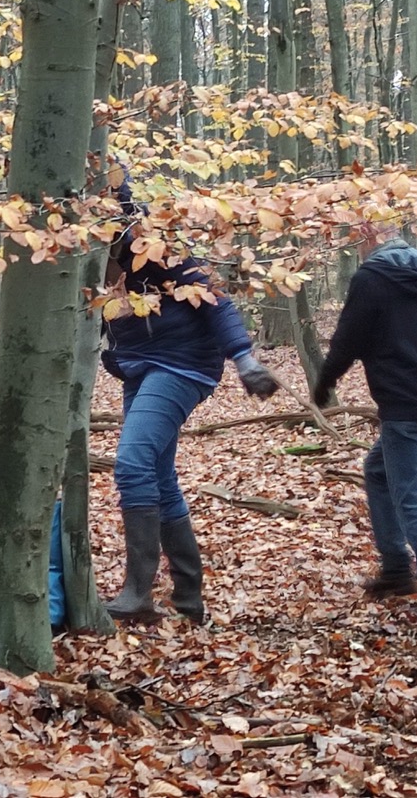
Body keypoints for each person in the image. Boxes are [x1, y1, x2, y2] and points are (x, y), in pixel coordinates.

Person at [101, 230, 279, 624]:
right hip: (138, 366)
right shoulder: (80, 253)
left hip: (182, 364)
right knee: (159, 478)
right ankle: (188, 597)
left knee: (133, 463)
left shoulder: (155, 249)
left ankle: (138, 592)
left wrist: (244, 360)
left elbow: (214, 300)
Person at [311, 225, 417, 624]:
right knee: (378, 470)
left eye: (358, 239)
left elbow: (347, 340)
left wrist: (325, 382)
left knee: (412, 501)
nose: (357, 248)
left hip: (404, 406)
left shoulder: (371, 278)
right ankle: (397, 570)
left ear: (371, 238)